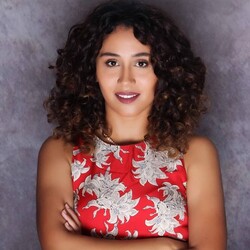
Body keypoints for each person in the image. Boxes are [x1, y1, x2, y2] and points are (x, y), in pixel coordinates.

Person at [36, 0, 227, 249]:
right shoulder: (60, 151)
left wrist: (83, 243)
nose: (126, 79)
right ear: (90, 70)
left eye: (141, 63)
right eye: (112, 63)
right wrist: (163, 246)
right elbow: (55, 244)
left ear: (165, 71)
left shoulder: (196, 153)